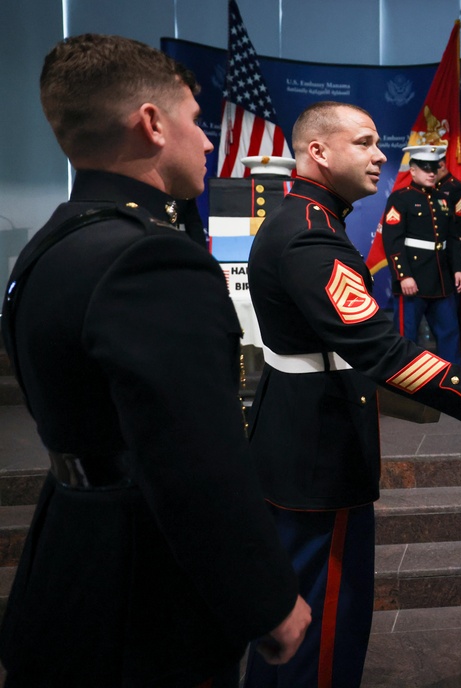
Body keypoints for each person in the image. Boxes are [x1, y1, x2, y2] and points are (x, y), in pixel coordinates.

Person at [0, 34, 310, 686]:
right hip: (144, 588)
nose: (205, 141)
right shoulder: (151, 257)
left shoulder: (53, 244)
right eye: (196, 122)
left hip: (67, 555)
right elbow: (194, 454)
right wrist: (266, 599)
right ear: (150, 123)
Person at [243, 102, 461, 688]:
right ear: (318, 151)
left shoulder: (307, 218)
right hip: (318, 455)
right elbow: (383, 353)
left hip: (300, 440)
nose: (379, 156)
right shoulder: (312, 237)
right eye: (364, 143)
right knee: (321, 632)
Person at [381, 144, 461, 363]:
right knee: (406, 339)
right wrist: (403, 275)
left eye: (435, 168)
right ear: (413, 169)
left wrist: (458, 269)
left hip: (442, 280)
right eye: (425, 168)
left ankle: (453, 388)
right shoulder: (400, 199)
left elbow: (453, 238)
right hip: (413, 280)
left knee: (450, 336)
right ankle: (404, 387)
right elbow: (392, 240)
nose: (431, 173)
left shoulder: (444, 199)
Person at [435, 151, 461, 360]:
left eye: (435, 164)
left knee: (458, 313)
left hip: (456, 256)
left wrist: (455, 261)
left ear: (442, 163)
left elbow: (459, 230)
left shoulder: (456, 190)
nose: (431, 170)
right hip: (440, 259)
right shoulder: (436, 189)